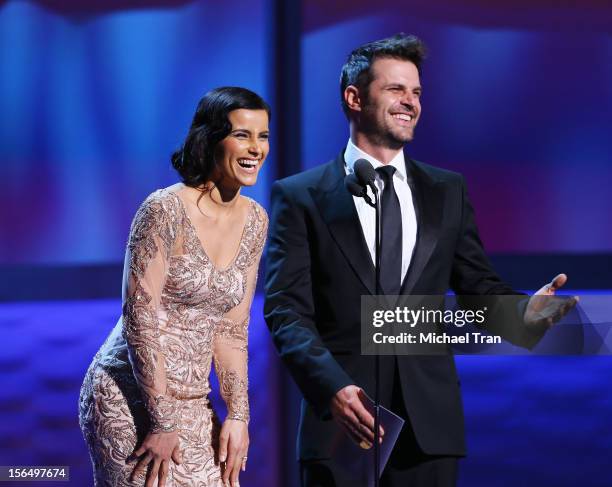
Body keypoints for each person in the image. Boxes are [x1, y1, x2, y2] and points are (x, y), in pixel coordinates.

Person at [263, 34, 575, 486]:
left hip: (429, 429)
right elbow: (286, 309)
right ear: (354, 98)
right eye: (395, 90)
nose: (410, 102)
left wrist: (523, 311)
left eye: (417, 92)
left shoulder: (446, 190)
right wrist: (331, 386)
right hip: (343, 425)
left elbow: (476, 284)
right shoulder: (300, 196)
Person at [79, 86, 270, 487]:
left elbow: (232, 329)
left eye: (263, 136)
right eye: (242, 135)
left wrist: (238, 414)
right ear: (211, 138)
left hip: (193, 401)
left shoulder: (256, 220)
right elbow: (139, 318)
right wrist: (162, 421)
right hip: (128, 393)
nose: (255, 148)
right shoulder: (164, 209)